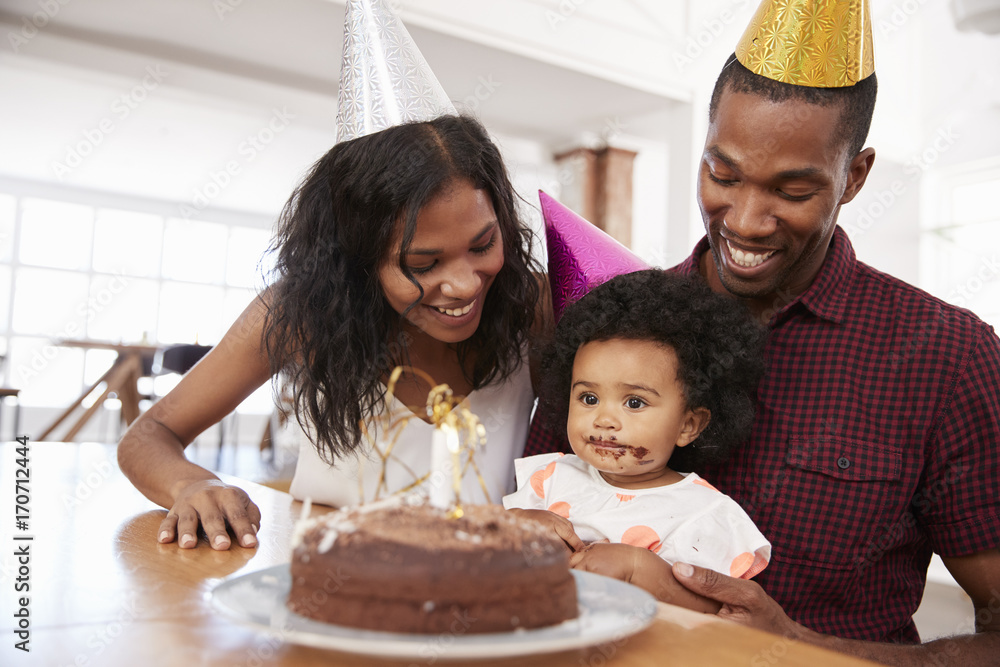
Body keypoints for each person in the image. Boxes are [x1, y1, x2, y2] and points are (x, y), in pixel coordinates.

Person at [117, 113, 546, 550]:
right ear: (357, 262)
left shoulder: (532, 305)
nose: (466, 284)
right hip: (326, 583)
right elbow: (148, 436)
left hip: (483, 587)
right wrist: (189, 484)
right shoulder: (299, 313)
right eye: (422, 264)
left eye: (483, 245)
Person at [503, 270, 770, 611]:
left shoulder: (703, 515)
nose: (604, 419)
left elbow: (717, 612)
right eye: (588, 398)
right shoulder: (550, 479)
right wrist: (519, 523)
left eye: (634, 403)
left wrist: (639, 569)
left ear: (688, 424)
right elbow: (486, 552)